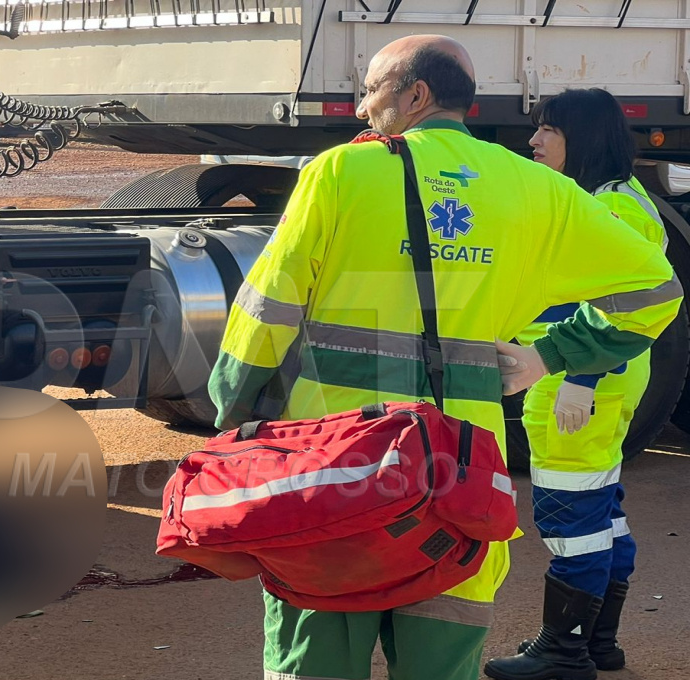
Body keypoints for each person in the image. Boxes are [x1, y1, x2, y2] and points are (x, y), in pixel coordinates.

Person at [207, 35, 682, 680]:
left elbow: (264, 312)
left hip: (335, 468)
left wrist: (234, 411)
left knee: (312, 657)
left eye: (370, 91)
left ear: (415, 95)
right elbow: (656, 293)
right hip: (460, 473)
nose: (361, 109)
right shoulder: (535, 188)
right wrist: (551, 357)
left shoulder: (341, 172)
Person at [482, 89, 666, 680]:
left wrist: (579, 377)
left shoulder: (613, 210)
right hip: (595, 377)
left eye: (547, 130)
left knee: (570, 515)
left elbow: (621, 303)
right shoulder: (613, 199)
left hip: (587, 380)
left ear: (579, 138)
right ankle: (596, 645)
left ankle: (563, 653)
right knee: (602, 510)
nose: (533, 141)